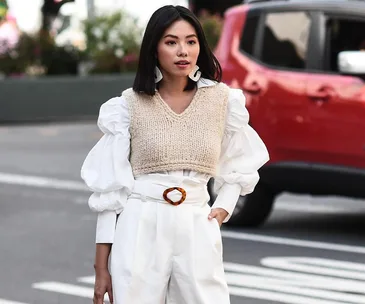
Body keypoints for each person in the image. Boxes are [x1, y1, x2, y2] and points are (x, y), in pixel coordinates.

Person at [81, 5, 269, 304]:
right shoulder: (127, 106)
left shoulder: (223, 100)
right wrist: (101, 267)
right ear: (154, 48)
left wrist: (224, 207)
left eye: (191, 41)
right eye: (171, 42)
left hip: (197, 219)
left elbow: (244, 160)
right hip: (140, 219)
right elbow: (109, 192)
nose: (183, 51)